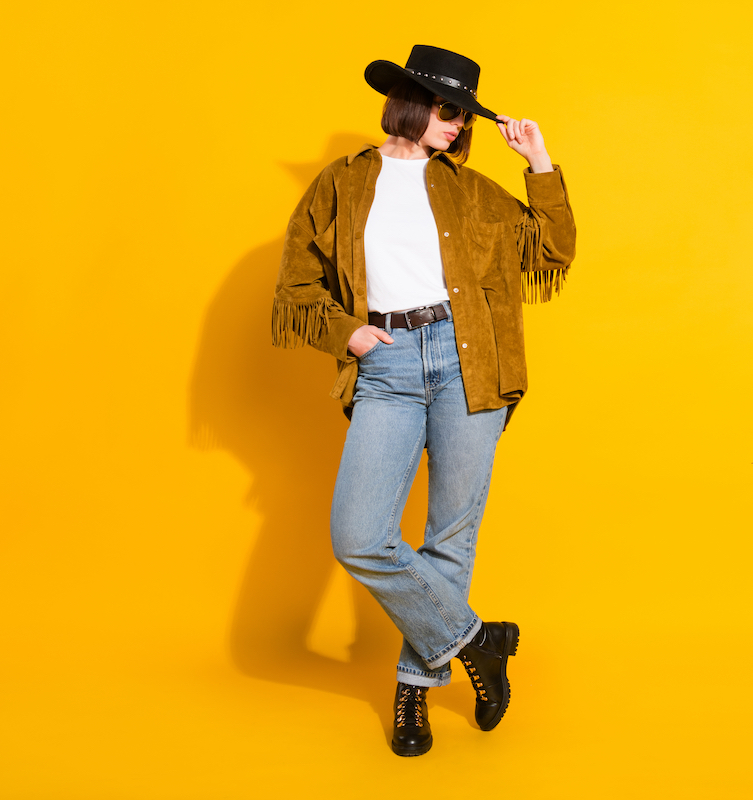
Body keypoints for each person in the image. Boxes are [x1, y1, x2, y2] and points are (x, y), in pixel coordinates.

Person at [270, 44, 576, 756]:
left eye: (464, 117)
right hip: (390, 365)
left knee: (449, 541)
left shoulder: (470, 191)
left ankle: (413, 695)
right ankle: (478, 642)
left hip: (470, 361)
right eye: (447, 111)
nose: (457, 127)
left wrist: (538, 161)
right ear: (407, 103)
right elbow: (295, 287)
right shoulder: (341, 184)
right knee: (359, 535)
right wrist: (350, 335)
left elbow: (552, 251)